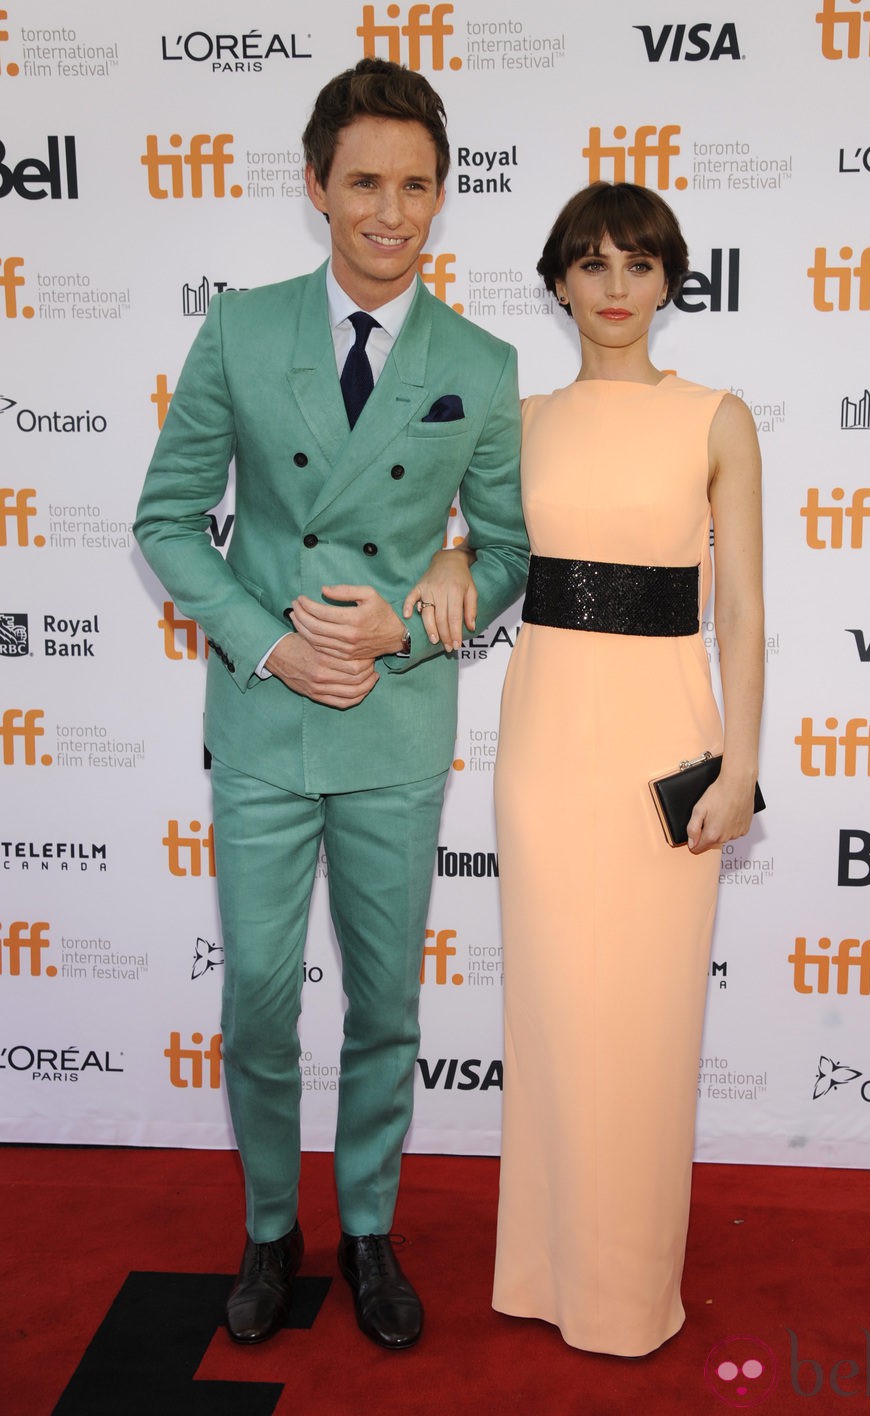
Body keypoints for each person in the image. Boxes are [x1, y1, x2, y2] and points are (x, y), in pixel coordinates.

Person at [134, 57, 527, 1352]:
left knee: (386, 1003)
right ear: (316, 187)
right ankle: (266, 1225)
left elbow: (508, 551)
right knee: (255, 993)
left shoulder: (479, 357)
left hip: (396, 726)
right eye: (364, 181)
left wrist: (411, 615)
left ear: (441, 196)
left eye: (416, 184)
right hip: (263, 720)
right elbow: (168, 521)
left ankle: (366, 1225)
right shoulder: (241, 330)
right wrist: (267, 644)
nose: (390, 211)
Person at [414, 181, 763, 1357]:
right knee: (557, 1010)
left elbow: (746, 617)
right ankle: (543, 1270)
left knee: (647, 1020)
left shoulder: (716, 417)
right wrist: (461, 553)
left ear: (669, 282)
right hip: (547, 742)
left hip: (663, 738)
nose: (615, 288)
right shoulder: (521, 420)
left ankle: (623, 1292)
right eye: (592, 264)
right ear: (558, 281)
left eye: (638, 265)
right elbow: (495, 549)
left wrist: (736, 765)